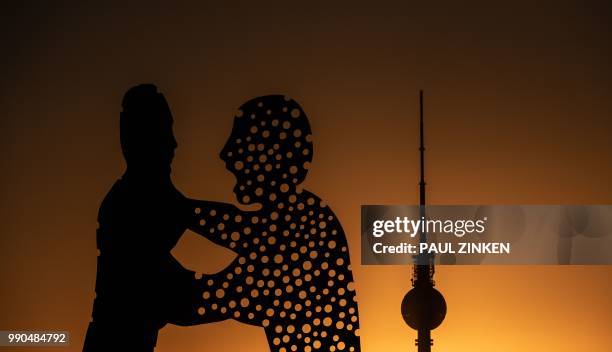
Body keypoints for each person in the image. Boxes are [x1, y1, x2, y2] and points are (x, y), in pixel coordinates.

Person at [186, 95, 361, 352]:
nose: (226, 153)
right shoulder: (307, 219)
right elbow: (237, 229)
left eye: (240, 141)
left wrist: (170, 207)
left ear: (270, 154)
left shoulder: (304, 227)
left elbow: (209, 297)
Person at [83, 84, 210, 351]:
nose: (174, 143)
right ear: (141, 140)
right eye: (165, 131)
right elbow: (176, 297)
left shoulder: (133, 200)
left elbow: (199, 218)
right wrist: (246, 291)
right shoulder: (130, 205)